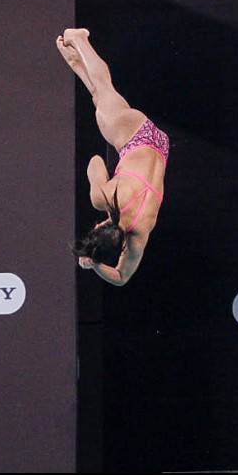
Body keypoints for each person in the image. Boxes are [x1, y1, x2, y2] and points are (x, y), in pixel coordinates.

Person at [57, 29, 169, 286]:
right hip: (133, 136)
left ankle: (77, 63)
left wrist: (96, 263)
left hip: (159, 145)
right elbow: (95, 161)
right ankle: (78, 39)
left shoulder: (140, 233)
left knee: (101, 100)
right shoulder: (104, 200)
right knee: (103, 87)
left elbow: (121, 277)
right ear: (97, 227)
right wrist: (100, 190)